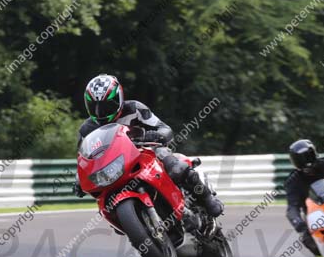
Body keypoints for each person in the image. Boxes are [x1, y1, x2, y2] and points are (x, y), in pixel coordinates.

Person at [72, 74, 223, 228]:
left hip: (147, 151)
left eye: (106, 106)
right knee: (106, 203)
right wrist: (79, 178)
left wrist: (155, 135)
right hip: (116, 165)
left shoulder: (134, 108)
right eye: (95, 107)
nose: (100, 112)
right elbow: (84, 158)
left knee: (177, 168)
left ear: (119, 98)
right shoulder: (87, 129)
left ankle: (208, 200)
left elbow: (165, 129)